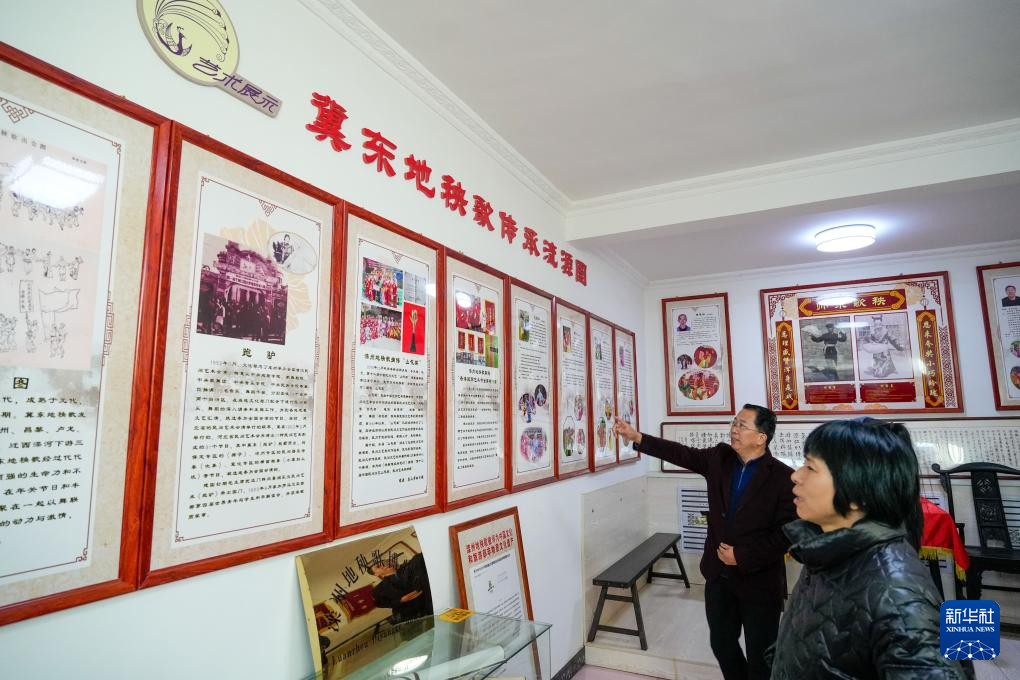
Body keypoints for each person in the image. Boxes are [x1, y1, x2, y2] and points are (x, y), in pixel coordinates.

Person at [769, 418, 968, 678]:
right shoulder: (826, 550)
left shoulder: (897, 598)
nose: (795, 475)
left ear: (857, 493)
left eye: (810, 467)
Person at [614, 404, 795, 680]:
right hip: (718, 575)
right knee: (721, 643)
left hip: (759, 582)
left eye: (742, 425)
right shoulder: (720, 458)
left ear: (761, 437)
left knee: (761, 655)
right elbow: (681, 453)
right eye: (734, 422)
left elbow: (785, 535)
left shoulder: (782, 478)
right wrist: (638, 437)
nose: (734, 429)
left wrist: (742, 555)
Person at [370, 553, 433, 623]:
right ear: (376, 574)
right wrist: (401, 600)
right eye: (378, 566)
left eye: (383, 562)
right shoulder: (378, 590)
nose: (383, 565)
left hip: (428, 605)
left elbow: (420, 559)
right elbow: (379, 603)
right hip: (409, 617)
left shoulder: (411, 566)